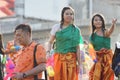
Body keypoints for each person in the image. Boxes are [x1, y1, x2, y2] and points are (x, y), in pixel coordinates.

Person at [47, 6, 82, 80]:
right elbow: (50, 42)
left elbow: (77, 48)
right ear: (62, 15)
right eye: (67, 14)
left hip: (71, 60)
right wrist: (48, 52)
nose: (69, 15)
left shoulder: (76, 30)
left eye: (71, 14)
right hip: (58, 59)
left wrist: (80, 64)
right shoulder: (56, 27)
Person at [89, 13, 117, 80]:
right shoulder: (92, 36)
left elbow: (110, 31)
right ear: (93, 23)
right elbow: (91, 50)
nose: (98, 21)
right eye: (96, 20)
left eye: (100, 20)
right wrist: (94, 60)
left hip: (108, 59)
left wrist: (113, 24)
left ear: (102, 22)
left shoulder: (105, 32)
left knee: (107, 75)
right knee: (97, 76)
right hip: (98, 59)